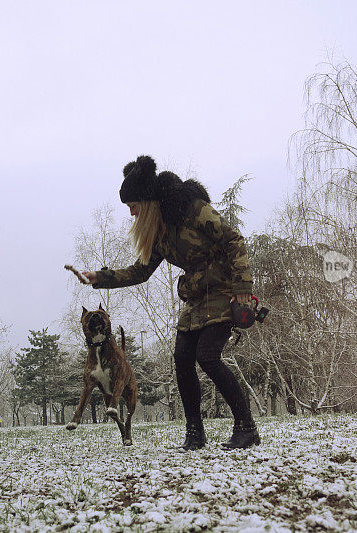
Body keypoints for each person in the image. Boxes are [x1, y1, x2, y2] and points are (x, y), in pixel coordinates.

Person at [80, 155, 260, 450]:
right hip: (195, 294)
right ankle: (194, 434)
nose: (131, 214)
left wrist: (242, 289)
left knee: (208, 356)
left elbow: (234, 240)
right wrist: (99, 277)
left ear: (147, 200)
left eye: (133, 206)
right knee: (182, 358)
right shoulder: (160, 232)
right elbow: (141, 271)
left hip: (224, 288)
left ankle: (246, 428)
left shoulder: (191, 208)